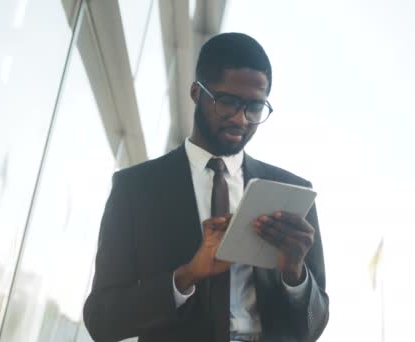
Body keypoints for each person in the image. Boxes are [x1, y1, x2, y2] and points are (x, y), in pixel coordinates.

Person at [83, 32, 329, 342]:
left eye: (255, 107)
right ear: (196, 93)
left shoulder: (292, 190)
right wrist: (187, 276)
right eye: (228, 102)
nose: (241, 119)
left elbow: (314, 325)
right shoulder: (136, 189)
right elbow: (101, 321)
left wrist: (295, 274)